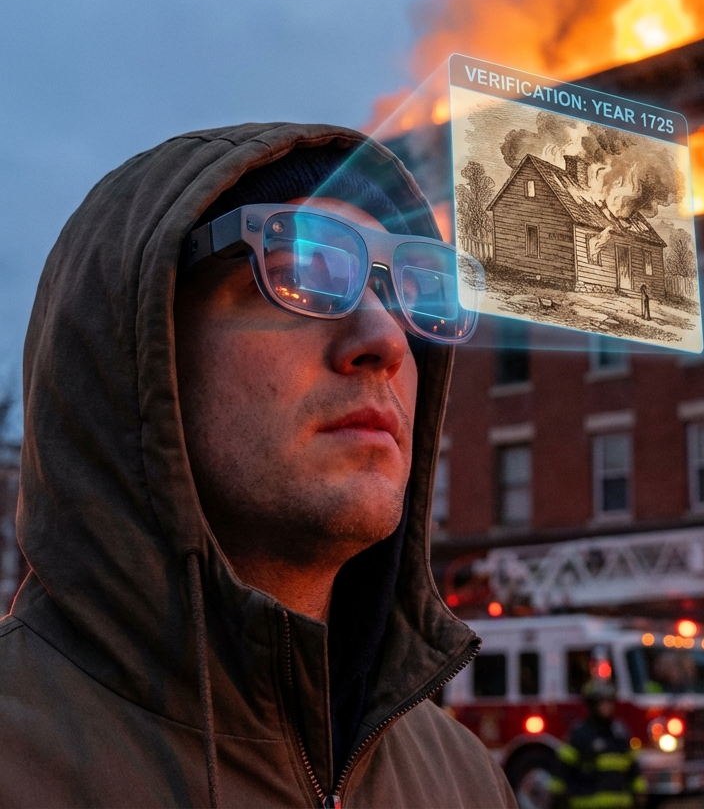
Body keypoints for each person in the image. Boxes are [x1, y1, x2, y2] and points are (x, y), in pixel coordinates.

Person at [0, 123, 516, 807]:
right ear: (135, 351)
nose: (386, 340)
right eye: (302, 274)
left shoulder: (464, 781)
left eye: (404, 295)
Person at [549, 678, 647, 809]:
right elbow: (562, 770)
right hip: (587, 804)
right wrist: (558, 798)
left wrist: (640, 792)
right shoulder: (580, 734)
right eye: (601, 702)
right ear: (592, 705)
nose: (606, 707)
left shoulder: (620, 733)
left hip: (620, 805)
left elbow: (633, 769)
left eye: (609, 702)